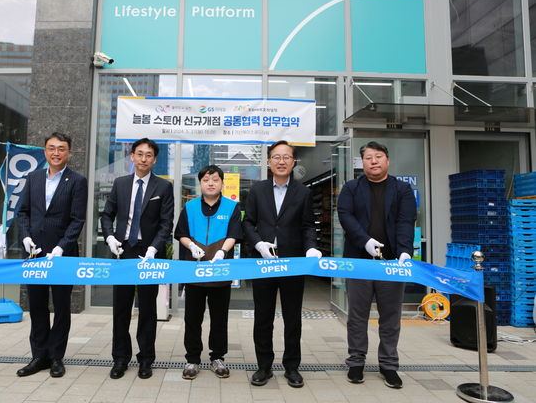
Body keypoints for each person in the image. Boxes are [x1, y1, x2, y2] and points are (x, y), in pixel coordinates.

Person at [243, 140, 322, 388]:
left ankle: (292, 367)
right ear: (268, 162)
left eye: (286, 157)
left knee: (292, 317)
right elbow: (248, 223)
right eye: (276, 157)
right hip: (263, 263)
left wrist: (311, 247)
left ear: (293, 162)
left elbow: (308, 225)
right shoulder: (257, 190)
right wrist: (259, 245)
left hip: (293, 263)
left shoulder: (303, 192)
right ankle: (263, 367)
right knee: (263, 317)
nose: (281, 161)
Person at [337, 141, 416, 389]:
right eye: (368, 157)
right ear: (362, 163)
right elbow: (345, 216)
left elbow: (406, 221)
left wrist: (405, 252)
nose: (373, 161)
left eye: (378, 156)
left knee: (390, 317)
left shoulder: (402, 189)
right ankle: (356, 362)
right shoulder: (351, 188)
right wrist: (365, 241)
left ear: (387, 160)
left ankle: (389, 365)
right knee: (357, 316)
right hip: (359, 263)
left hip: (391, 263)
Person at [100, 137, 174, 380]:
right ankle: (120, 358)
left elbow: (166, 223)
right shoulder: (120, 184)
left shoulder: (163, 187)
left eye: (148, 155)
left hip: (148, 253)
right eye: (139, 154)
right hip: (123, 251)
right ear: (132, 156)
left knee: (147, 309)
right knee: (121, 307)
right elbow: (107, 215)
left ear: (154, 159)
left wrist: (154, 249)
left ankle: (146, 359)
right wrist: (110, 237)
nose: (143, 159)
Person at [16, 132, 88, 378]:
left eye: (61, 149)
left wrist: (61, 247)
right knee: (36, 305)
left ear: (69, 153)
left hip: (62, 255)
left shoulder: (77, 181)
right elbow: (23, 212)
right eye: (51, 148)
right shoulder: (33, 178)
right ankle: (39, 356)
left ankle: (56, 357)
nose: (56, 153)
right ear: (45, 151)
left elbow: (77, 220)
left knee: (61, 306)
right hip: (33, 253)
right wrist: (25, 237)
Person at [174, 165, 242, 380]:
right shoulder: (190, 206)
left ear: (222, 183)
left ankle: (218, 358)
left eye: (215, 180)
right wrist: (191, 246)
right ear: (200, 183)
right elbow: (181, 233)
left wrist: (223, 251)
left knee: (219, 318)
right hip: (194, 271)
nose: (210, 183)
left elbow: (234, 234)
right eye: (206, 180)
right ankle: (192, 359)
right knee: (192, 318)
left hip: (220, 271)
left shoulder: (232, 206)